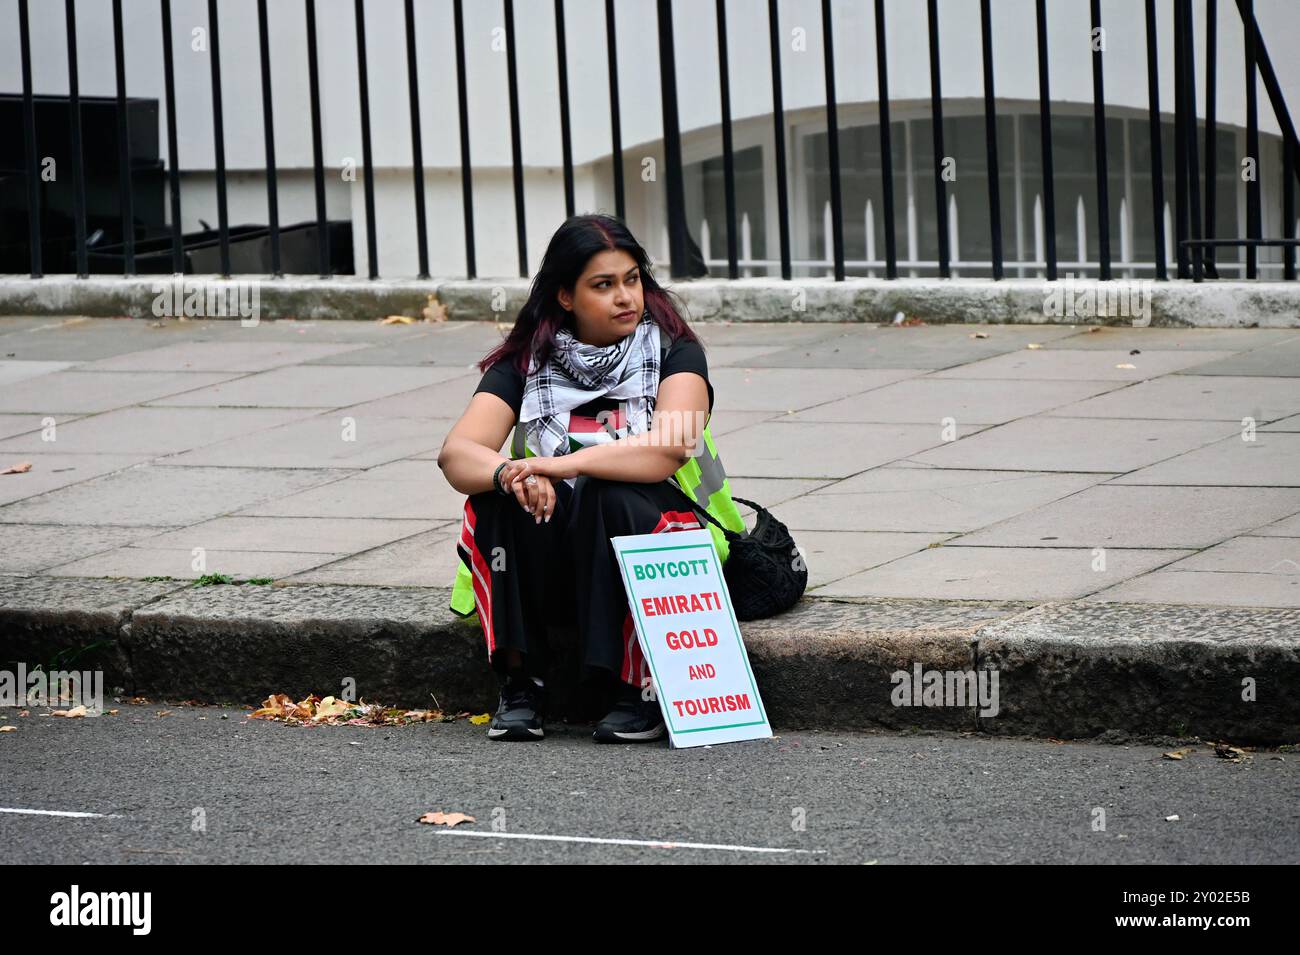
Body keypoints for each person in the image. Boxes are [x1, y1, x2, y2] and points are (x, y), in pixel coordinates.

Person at [437, 213, 747, 743]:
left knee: (613, 492)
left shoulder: (677, 353)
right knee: (495, 498)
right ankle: (521, 685)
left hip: (672, 554)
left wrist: (561, 465)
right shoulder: (526, 362)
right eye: (603, 285)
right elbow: (456, 454)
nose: (626, 297)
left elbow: (669, 449)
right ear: (565, 297)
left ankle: (640, 686)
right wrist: (511, 473)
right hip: (560, 562)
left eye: (632, 280)